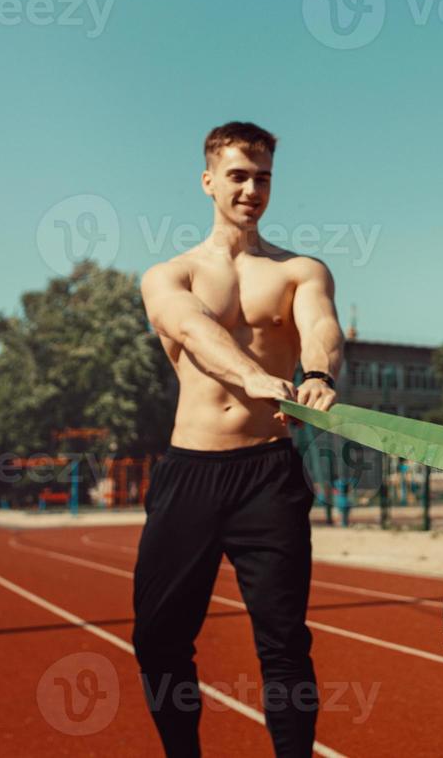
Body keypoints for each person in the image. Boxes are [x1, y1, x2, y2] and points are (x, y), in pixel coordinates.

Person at [132, 121, 343, 757]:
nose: (252, 189)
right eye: (238, 176)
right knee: (160, 639)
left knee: (283, 640)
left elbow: (321, 327)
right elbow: (192, 331)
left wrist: (316, 375)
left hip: (266, 476)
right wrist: (257, 378)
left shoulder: (299, 270)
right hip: (189, 473)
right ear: (208, 181)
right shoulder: (170, 275)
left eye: (263, 178)